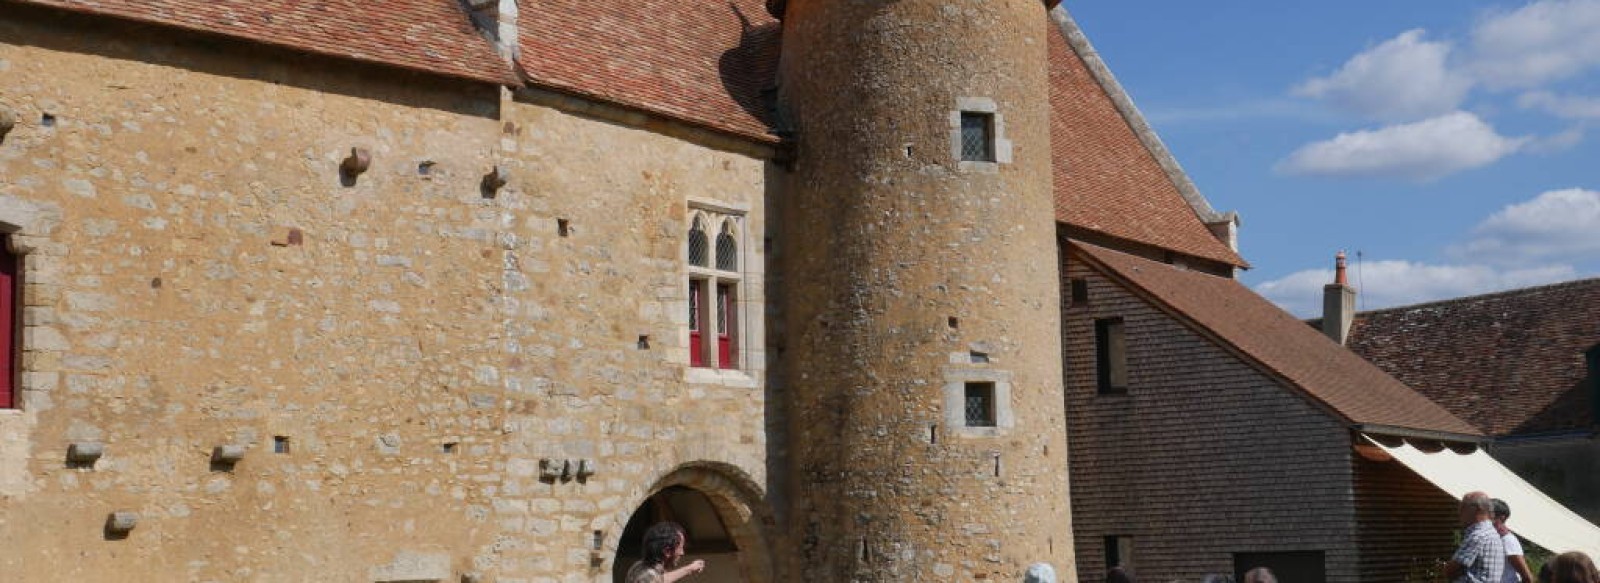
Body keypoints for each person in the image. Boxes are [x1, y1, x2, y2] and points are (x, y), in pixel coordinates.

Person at [1444, 491, 1506, 583]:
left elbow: (1450, 571)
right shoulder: (1491, 533)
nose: (1459, 511)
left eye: (1463, 506)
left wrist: (1447, 567)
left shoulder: (1478, 535)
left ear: (1476, 509)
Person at [625, 522, 706, 583]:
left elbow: (662, 579)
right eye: (680, 548)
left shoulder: (643, 567)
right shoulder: (645, 574)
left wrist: (690, 568)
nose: (682, 553)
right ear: (667, 551)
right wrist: (689, 569)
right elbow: (655, 579)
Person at [1492, 498, 1536, 583]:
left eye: (1490, 515)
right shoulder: (1493, 539)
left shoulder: (1507, 540)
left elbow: (1527, 576)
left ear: (1502, 518)